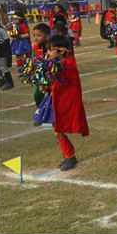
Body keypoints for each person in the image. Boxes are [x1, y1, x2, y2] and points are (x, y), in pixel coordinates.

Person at [39, 34, 89, 171]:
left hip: (64, 102)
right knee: (56, 131)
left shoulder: (67, 65)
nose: (47, 53)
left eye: (50, 50)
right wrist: (45, 85)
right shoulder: (57, 65)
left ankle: (70, 157)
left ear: (61, 51)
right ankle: (67, 157)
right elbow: (54, 81)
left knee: (57, 131)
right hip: (55, 100)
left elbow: (64, 82)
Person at [0, 14, 14, 91]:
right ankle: (1, 80)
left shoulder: (0, 30)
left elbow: (7, 41)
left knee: (3, 67)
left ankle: (10, 83)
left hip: (2, 51)